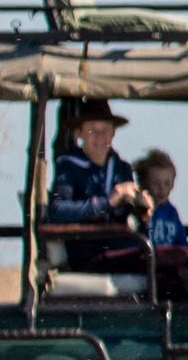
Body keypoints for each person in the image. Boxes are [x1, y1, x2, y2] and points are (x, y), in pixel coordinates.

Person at [47, 99, 151, 275]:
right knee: (153, 264)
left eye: (106, 130)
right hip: (89, 253)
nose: (100, 137)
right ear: (79, 133)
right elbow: (57, 210)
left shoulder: (122, 169)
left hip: (125, 248)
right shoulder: (69, 167)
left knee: (172, 266)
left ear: (113, 133)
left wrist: (143, 212)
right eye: (92, 130)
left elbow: (130, 219)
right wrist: (108, 202)